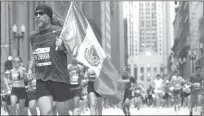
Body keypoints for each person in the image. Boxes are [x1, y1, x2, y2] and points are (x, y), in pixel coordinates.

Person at [27, 3, 71, 115]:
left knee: (63, 113)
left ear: (49, 17)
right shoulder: (33, 36)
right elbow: (35, 53)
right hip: (42, 80)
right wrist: (30, 68)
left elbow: (69, 50)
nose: (38, 16)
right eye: (36, 14)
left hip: (60, 79)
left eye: (41, 13)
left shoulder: (59, 32)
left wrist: (62, 46)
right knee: (45, 112)